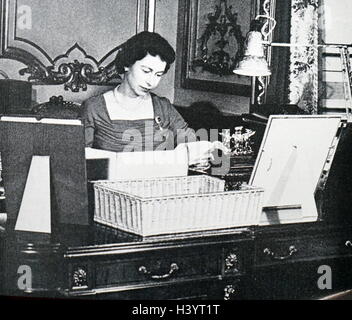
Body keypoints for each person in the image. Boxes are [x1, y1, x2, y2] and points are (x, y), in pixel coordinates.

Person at [80, 31, 224, 167]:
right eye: (146, 71)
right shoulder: (94, 108)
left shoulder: (162, 107)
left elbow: (191, 143)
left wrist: (207, 150)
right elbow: (79, 163)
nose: (151, 82)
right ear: (126, 64)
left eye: (158, 74)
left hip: (156, 189)